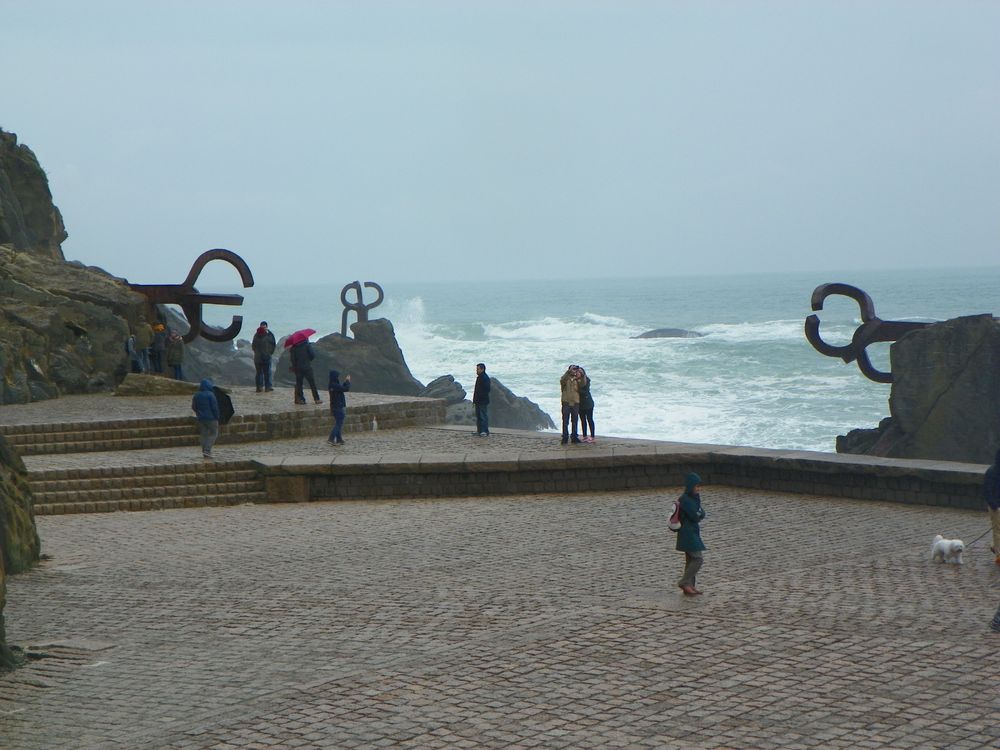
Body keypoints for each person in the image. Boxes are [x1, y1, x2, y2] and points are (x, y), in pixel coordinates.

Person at [675, 472, 706, 595]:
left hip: (692, 532)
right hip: (687, 534)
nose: (698, 489)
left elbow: (701, 513)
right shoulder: (685, 500)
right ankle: (684, 582)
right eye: (696, 486)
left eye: (699, 486)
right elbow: (696, 515)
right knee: (697, 559)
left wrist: (699, 513)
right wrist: (699, 513)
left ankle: (690, 586)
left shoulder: (694, 498)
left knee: (690, 560)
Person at [191, 378, 220, 459]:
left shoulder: (196, 395)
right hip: (211, 418)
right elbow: (214, 407)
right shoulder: (211, 395)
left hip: (201, 418)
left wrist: (198, 413)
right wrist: (217, 416)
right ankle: (207, 450)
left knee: (204, 434)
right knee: (214, 434)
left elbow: (194, 407)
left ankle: (204, 451)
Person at [290, 338, 322, 405]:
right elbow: (312, 355)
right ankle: (316, 399)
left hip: (298, 368)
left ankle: (302, 399)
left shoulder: (293, 348)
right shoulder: (307, 345)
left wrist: (295, 366)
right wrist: (308, 360)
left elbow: (293, 359)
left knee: (299, 384)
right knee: (312, 383)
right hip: (307, 367)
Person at [983, 448, 1000, 566]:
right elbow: (987, 491)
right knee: (998, 531)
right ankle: (999, 555)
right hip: (996, 506)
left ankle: (994, 546)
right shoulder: (992, 472)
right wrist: (995, 506)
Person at [326, 370, 352, 445]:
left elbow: (342, 388)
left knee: (339, 423)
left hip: (334, 407)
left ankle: (339, 439)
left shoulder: (332, 385)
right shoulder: (334, 385)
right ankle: (331, 438)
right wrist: (347, 381)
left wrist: (345, 383)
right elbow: (346, 389)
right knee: (339, 423)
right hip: (338, 406)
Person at [252, 321, 277, 393]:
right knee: (263, 373)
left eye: (264, 326)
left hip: (262, 356)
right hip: (263, 357)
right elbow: (254, 346)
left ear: (266, 326)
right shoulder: (266, 335)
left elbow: (273, 344)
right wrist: (269, 353)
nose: (263, 327)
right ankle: (262, 387)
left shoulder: (260, 335)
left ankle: (265, 387)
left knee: (264, 373)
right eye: (262, 326)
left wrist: (270, 353)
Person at [560, 365, 582, 444]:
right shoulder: (566, 379)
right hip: (566, 401)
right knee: (565, 420)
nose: (574, 370)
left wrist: (581, 374)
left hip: (575, 402)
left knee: (575, 420)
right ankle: (565, 437)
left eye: (575, 369)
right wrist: (568, 371)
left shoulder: (578, 379)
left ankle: (574, 436)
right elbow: (562, 380)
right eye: (573, 369)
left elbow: (584, 384)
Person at [473, 362, 491, 436]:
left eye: (478, 369)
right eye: (476, 369)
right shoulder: (479, 377)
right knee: (479, 416)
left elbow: (487, 390)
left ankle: (484, 431)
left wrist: (480, 398)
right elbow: (476, 390)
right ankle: (479, 430)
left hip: (482, 401)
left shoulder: (485, 378)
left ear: (482, 369)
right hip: (478, 401)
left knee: (483, 416)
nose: (476, 371)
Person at [578, 366, 595, 443]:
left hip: (588, 403)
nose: (579, 373)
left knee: (589, 419)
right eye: (578, 372)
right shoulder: (575, 380)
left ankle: (592, 436)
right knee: (582, 420)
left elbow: (585, 391)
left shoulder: (586, 380)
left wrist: (576, 390)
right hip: (580, 404)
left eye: (581, 372)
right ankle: (584, 436)